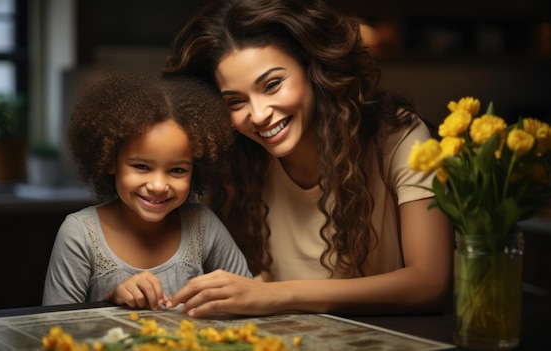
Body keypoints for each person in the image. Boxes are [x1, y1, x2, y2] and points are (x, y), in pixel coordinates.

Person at [161, 0, 453, 317]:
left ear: (313, 68)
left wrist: (273, 295)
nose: (258, 115)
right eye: (236, 101)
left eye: (272, 85)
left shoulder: (397, 136)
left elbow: (430, 282)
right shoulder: (239, 161)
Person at [42, 71, 252, 310]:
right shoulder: (80, 234)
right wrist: (111, 302)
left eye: (177, 170)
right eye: (141, 167)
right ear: (109, 160)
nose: (158, 186)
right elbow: (54, 330)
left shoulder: (202, 225)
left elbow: (247, 300)